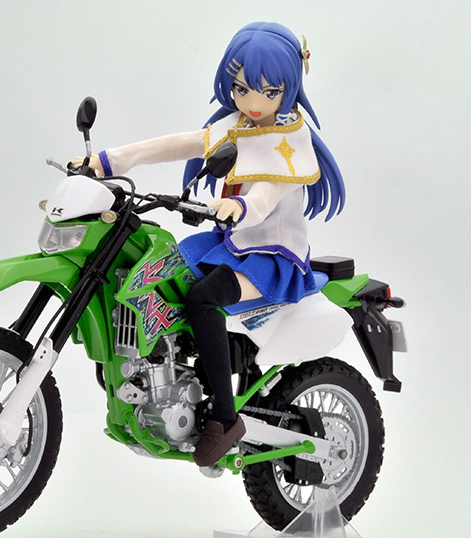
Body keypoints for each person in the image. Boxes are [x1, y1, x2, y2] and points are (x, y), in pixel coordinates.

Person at [74, 22, 345, 467]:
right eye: (241, 88)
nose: (253, 102)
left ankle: (224, 415)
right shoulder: (237, 125)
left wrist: (242, 207)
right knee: (161, 272)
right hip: (232, 242)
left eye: (269, 91)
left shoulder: (290, 143)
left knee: (203, 298)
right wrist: (111, 160)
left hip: (272, 256)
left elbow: (267, 195)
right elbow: (182, 143)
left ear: (289, 87)